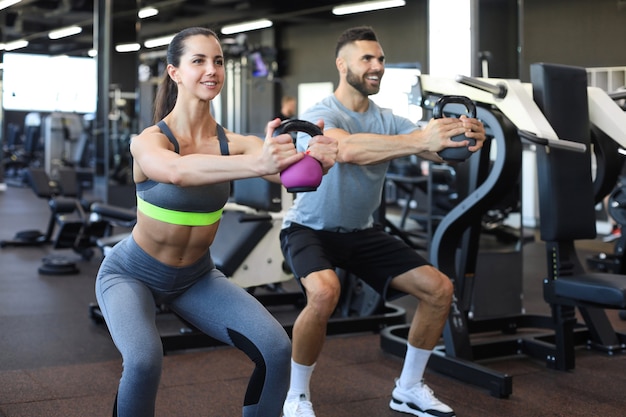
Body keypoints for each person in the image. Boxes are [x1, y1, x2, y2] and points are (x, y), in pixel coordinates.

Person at [94, 27, 337, 417]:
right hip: (131, 273)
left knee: (276, 350)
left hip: (196, 277)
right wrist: (258, 163)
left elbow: (293, 176)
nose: (212, 70)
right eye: (199, 61)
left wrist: (318, 159)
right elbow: (174, 172)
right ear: (174, 72)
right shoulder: (149, 140)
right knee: (144, 360)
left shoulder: (234, 143)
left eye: (218, 61)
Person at [279, 26, 486, 417]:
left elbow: (438, 151)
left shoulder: (388, 119)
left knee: (439, 289)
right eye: (367, 59)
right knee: (324, 292)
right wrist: (422, 140)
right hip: (309, 229)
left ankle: (407, 388)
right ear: (342, 65)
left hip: (361, 232)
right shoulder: (321, 114)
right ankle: (297, 395)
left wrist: (466, 138)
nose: (377, 67)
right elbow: (345, 149)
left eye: (381, 60)